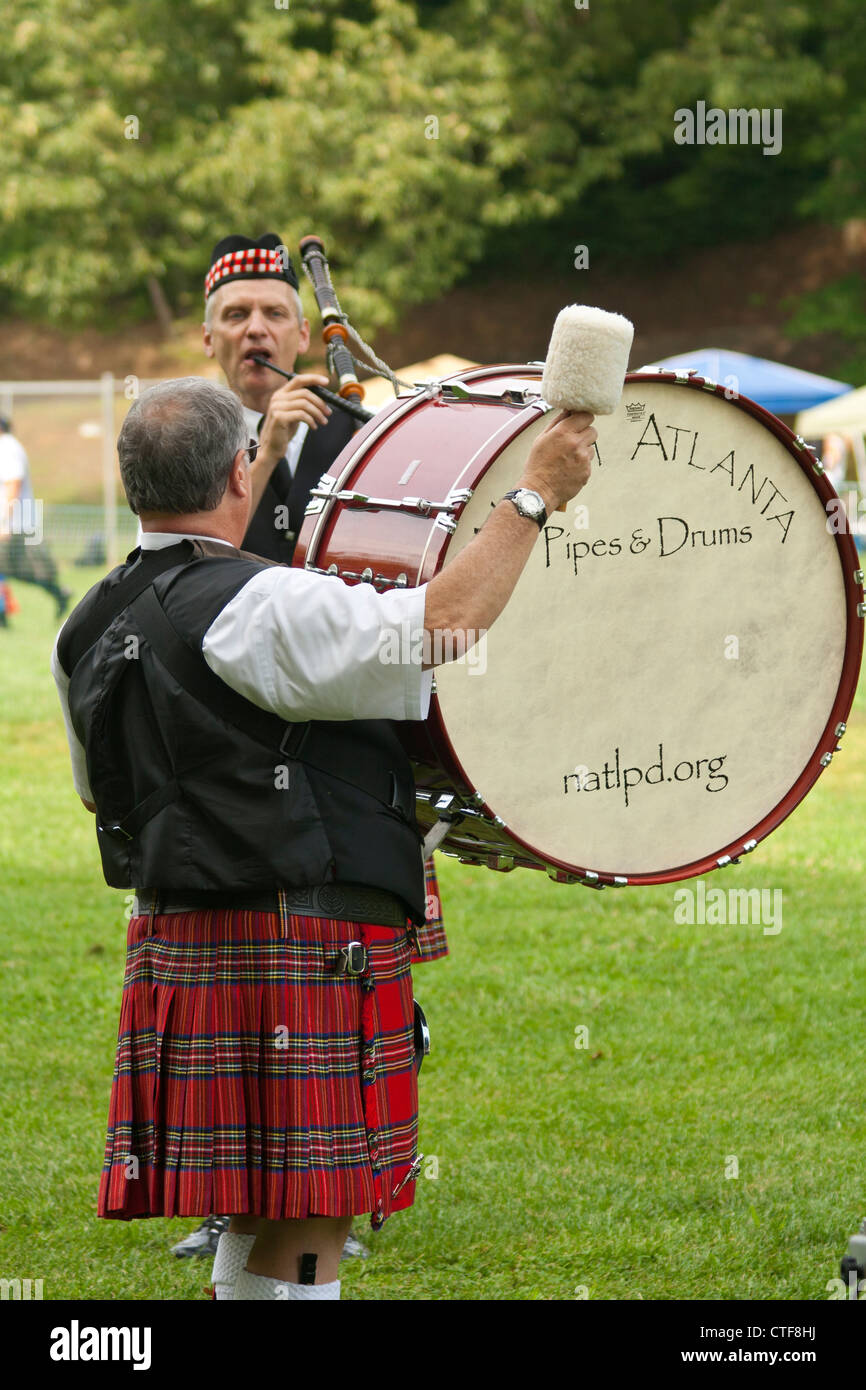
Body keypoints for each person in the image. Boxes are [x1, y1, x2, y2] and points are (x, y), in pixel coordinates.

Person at [51, 376, 595, 1300]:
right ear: (239, 473)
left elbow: (98, 790)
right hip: (305, 939)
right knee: (311, 1218)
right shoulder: (268, 605)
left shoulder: (83, 625)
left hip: (183, 937)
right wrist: (536, 493)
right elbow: (443, 621)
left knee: (256, 1204)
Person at [168, 234, 448, 1265]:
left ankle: (336, 1186)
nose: (255, 331)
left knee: (353, 984)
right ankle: (232, 1202)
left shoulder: (366, 443)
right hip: (225, 761)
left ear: (301, 330)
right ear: (207, 338)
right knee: (237, 994)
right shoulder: (185, 442)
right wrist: (264, 446)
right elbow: (188, 573)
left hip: (349, 757)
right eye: (235, 316)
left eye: (272, 313)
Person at [0, 416, 71, 617]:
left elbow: (13, 484)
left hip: (14, 524)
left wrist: (4, 522)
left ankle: (58, 593)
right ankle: (58, 593)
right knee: (15, 570)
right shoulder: (8, 446)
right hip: (15, 522)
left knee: (22, 570)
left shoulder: (8, 448)